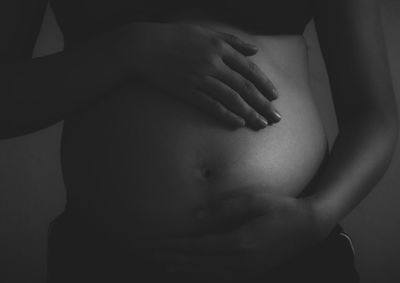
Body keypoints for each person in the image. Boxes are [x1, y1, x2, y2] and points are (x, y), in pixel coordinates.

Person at [0, 0, 398, 282]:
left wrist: (315, 218)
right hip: (111, 257)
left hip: (290, 250)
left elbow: (373, 112)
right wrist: (129, 49)